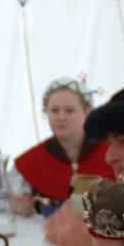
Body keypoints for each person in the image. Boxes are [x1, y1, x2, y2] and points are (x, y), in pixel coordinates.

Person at [9, 77, 112, 216]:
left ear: (87, 112)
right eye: (54, 110)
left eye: (70, 111)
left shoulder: (112, 154)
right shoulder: (30, 162)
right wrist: (17, 207)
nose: (61, 117)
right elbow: (7, 207)